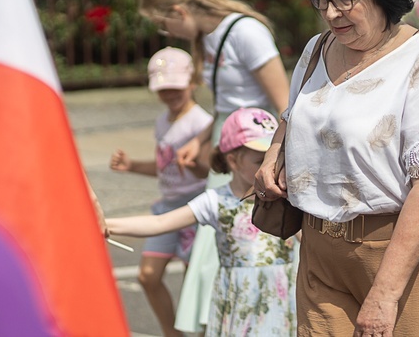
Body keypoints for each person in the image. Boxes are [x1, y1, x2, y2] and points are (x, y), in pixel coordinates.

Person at [254, 0, 419, 336]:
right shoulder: (315, 50)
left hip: (403, 254)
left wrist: (385, 295)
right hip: (321, 250)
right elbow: (294, 116)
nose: (330, 12)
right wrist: (273, 155)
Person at [138, 0, 290, 333]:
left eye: (163, 25)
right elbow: (227, 103)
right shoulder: (211, 37)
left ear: (178, 11)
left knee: (244, 245)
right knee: (222, 247)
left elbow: (284, 104)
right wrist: (204, 136)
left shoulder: (245, 33)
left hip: (252, 153)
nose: (167, 34)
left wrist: (272, 161)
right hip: (228, 153)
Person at [107, 107, 298, 336]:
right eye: (260, 159)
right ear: (233, 161)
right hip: (239, 308)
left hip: (281, 302)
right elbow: (159, 224)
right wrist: (105, 224)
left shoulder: (286, 196)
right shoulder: (216, 200)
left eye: (275, 157)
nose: (271, 166)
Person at [109, 46, 212, 337]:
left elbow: (208, 171)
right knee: (148, 276)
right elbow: (164, 166)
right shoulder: (163, 121)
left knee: (197, 280)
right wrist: (131, 166)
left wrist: (193, 164)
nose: (169, 94)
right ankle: (172, 333)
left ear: (192, 82)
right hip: (167, 206)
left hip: (195, 206)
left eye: (175, 87)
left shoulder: (201, 122)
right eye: (163, 89)